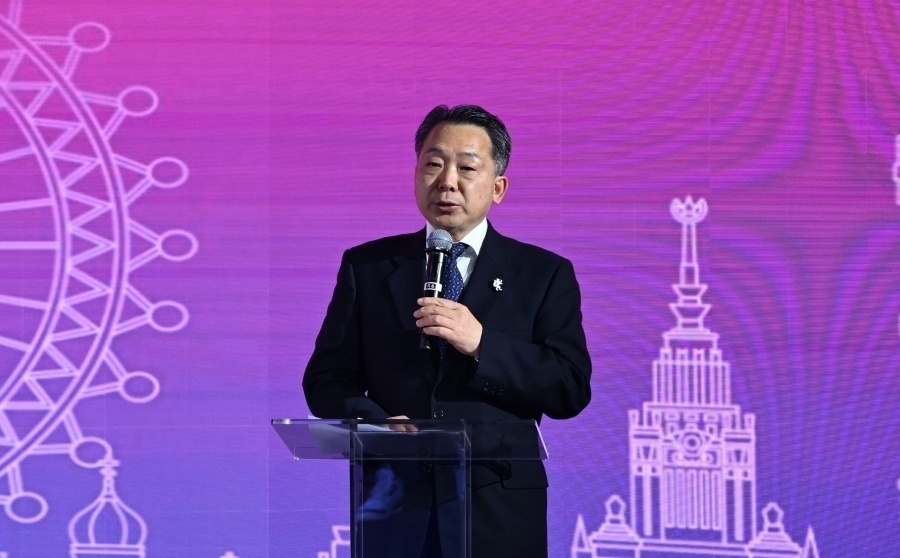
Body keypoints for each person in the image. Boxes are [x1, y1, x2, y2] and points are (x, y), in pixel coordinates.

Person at [303, 104, 592, 557]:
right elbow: (326, 379)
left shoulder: (543, 274)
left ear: (498, 187)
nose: (447, 181)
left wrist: (482, 344)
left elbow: (569, 389)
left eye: (467, 168)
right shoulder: (369, 267)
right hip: (395, 507)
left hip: (496, 512)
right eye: (433, 164)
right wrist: (377, 423)